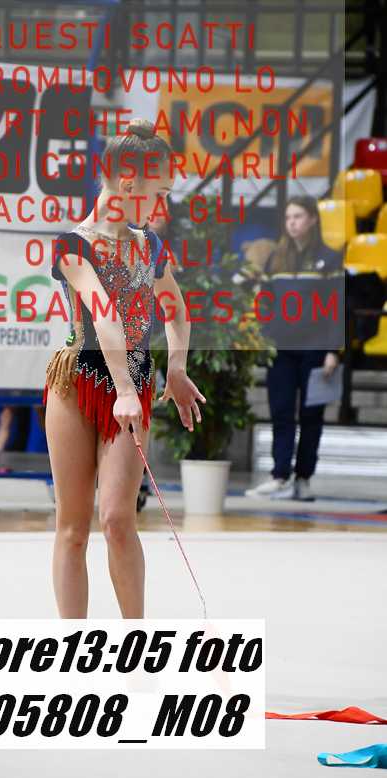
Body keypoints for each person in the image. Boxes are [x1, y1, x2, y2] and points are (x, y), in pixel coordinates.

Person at [43, 118, 205, 619]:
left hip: (131, 378)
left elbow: (175, 310)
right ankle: (72, 646)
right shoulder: (73, 245)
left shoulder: (148, 245)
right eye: (160, 194)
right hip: (76, 383)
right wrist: (125, 391)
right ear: (129, 183)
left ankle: (136, 640)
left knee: (116, 519)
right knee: (73, 527)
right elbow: (104, 314)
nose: (161, 206)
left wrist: (175, 367)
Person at [245, 195, 343, 501]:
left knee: (311, 416)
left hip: (316, 349)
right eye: (288, 218)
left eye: (298, 216)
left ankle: (303, 478)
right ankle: (279, 476)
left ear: (313, 219)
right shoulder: (276, 258)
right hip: (282, 349)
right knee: (282, 411)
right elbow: (265, 301)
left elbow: (337, 308)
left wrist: (334, 350)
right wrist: (264, 336)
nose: (292, 223)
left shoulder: (330, 258)